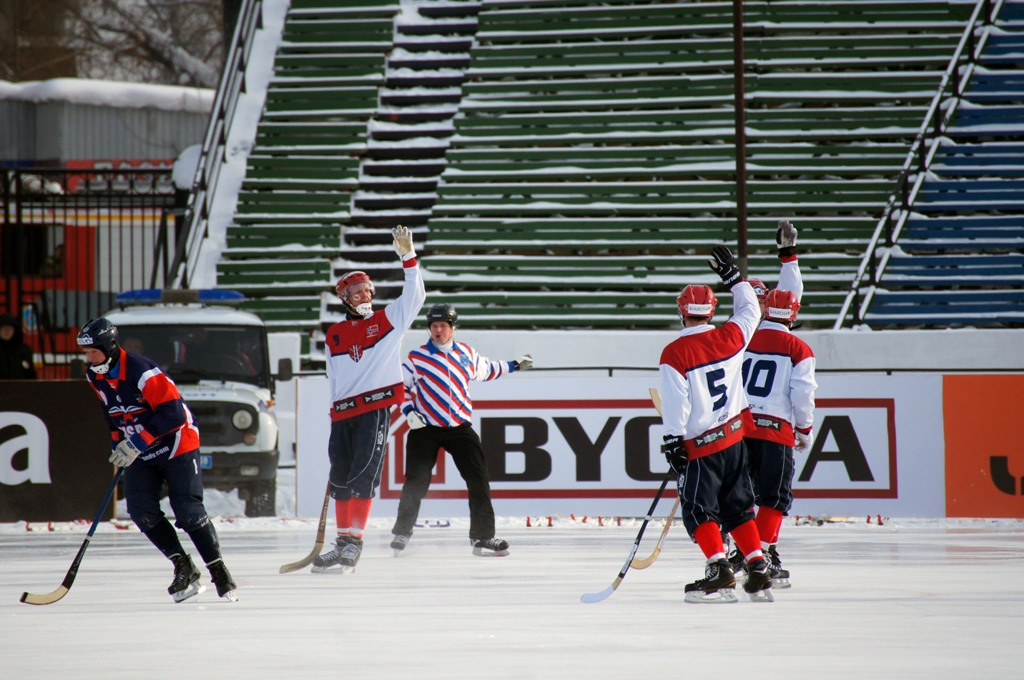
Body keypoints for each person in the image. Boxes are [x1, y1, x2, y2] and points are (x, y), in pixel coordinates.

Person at [77, 317, 237, 603]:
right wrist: (119, 444)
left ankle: (219, 570)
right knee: (140, 510)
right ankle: (184, 566)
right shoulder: (94, 376)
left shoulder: (140, 370)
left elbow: (173, 414)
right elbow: (111, 412)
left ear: (109, 347)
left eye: (93, 352)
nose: (88, 358)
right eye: (86, 353)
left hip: (177, 442)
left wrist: (136, 441)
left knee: (187, 510)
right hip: (142, 447)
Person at [659, 245, 773, 603]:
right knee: (739, 507)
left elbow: (677, 402)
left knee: (699, 509)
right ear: (711, 311)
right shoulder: (731, 337)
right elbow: (751, 309)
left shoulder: (675, 352)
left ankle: (719, 568)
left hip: (701, 446)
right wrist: (735, 280)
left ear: (682, 311)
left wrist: (672, 440)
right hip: (735, 439)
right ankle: (757, 565)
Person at [312, 225, 426, 573]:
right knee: (341, 478)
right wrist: (334, 412)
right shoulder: (333, 334)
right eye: (357, 291)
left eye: (368, 290)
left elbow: (415, 297)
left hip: (374, 409)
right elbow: (335, 378)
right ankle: (342, 541)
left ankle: (355, 543)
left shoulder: (388, 320)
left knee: (362, 476)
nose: (365, 295)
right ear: (345, 297)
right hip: (343, 414)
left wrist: (408, 257)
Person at [390, 303, 533, 557]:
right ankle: (402, 532)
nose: (438, 331)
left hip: (459, 427)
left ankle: (482, 538)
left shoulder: (465, 353)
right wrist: (409, 412)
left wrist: (514, 365)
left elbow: (488, 369)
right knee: (416, 480)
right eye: (434, 326)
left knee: (478, 479)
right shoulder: (416, 357)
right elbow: (399, 388)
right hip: (426, 428)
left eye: (443, 326)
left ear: (453, 328)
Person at [731, 221, 816, 588]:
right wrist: (805, 427)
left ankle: (754, 552)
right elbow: (790, 296)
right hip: (774, 426)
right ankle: (757, 554)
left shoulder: (738, 335)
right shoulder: (793, 345)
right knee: (772, 496)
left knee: (742, 495)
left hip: (739, 425)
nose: (766, 299)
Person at [0, 314, 37, 380]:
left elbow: (31, 376)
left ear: (15, 331)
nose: (7, 331)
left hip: (20, 389)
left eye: (10, 328)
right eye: (4, 328)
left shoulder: (24, 351)